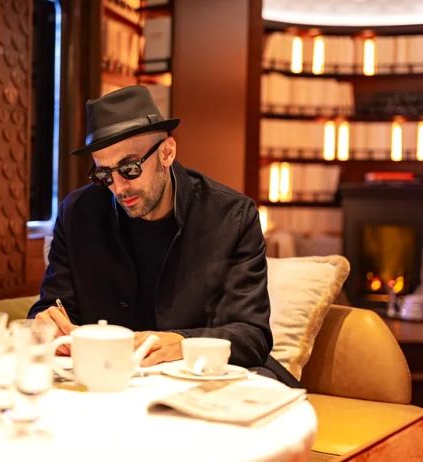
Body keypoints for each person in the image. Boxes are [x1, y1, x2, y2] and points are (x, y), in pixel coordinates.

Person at [29, 85, 290, 382]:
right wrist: (46, 322)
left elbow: (252, 335)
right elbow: (51, 306)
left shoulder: (231, 217)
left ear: (166, 152)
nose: (118, 188)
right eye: (104, 174)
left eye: (129, 168)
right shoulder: (77, 214)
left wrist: (181, 343)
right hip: (109, 383)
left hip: (199, 384)